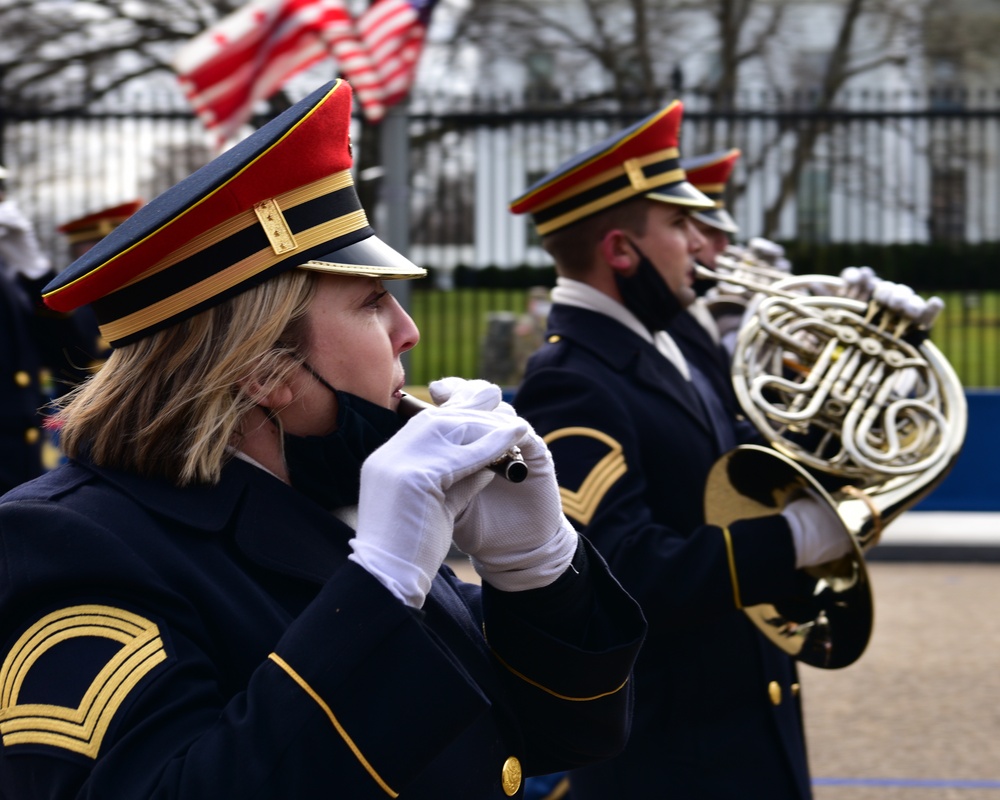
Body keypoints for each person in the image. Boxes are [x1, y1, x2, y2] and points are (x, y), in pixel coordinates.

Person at [0, 80, 646, 799]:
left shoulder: (320, 501)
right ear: (264, 369)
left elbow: (565, 737)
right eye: (372, 302)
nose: (409, 331)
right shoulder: (70, 548)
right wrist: (376, 590)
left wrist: (536, 570)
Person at [510, 101, 853, 799]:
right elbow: (623, 572)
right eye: (679, 224)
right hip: (675, 760)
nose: (700, 243)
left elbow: (750, 466)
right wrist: (791, 541)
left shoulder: (677, 344)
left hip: (743, 729)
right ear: (620, 250)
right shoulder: (571, 382)